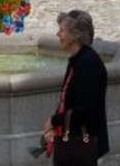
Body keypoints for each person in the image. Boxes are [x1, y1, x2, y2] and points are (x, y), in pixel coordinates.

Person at [46, 10, 110, 163]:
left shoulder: (88, 63)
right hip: (77, 142)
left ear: (75, 35)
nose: (58, 35)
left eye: (62, 31)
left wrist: (54, 121)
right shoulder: (77, 60)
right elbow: (67, 100)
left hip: (85, 143)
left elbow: (84, 110)